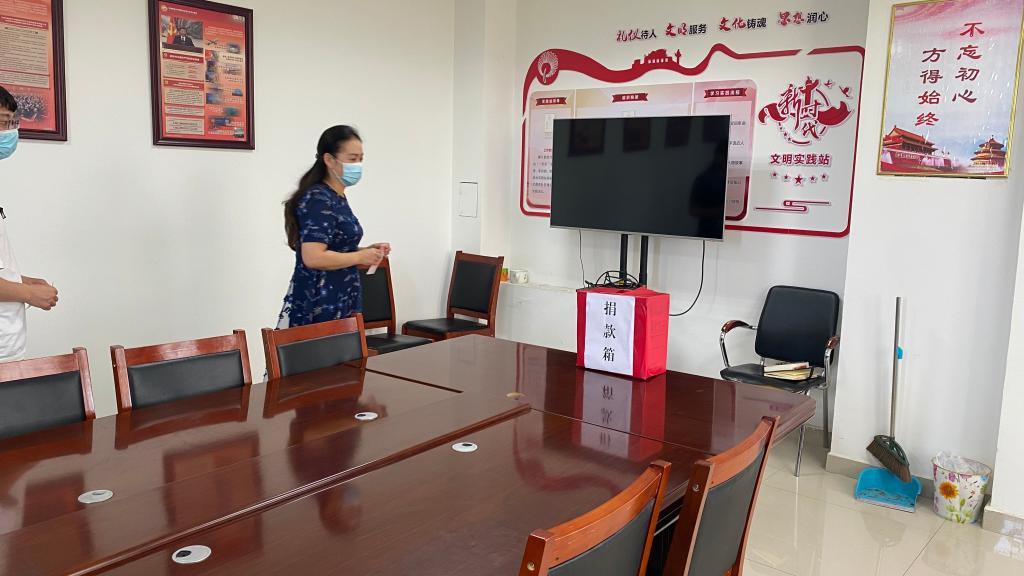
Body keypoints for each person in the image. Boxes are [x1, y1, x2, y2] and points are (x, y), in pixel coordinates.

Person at [278, 125, 389, 328]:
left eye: (361, 159)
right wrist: (359, 257)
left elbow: (335, 247)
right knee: (323, 349)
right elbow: (313, 257)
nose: (358, 165)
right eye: (352, 159)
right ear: (329, 160)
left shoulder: (337, 197)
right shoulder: (318, 198)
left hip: (342, 296)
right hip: (320, 301)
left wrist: (365, 251)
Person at [0, 85, 59, 362]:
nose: (9, 132)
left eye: (12, 123)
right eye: (3, 122)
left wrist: (21, 281)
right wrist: (27, 293)